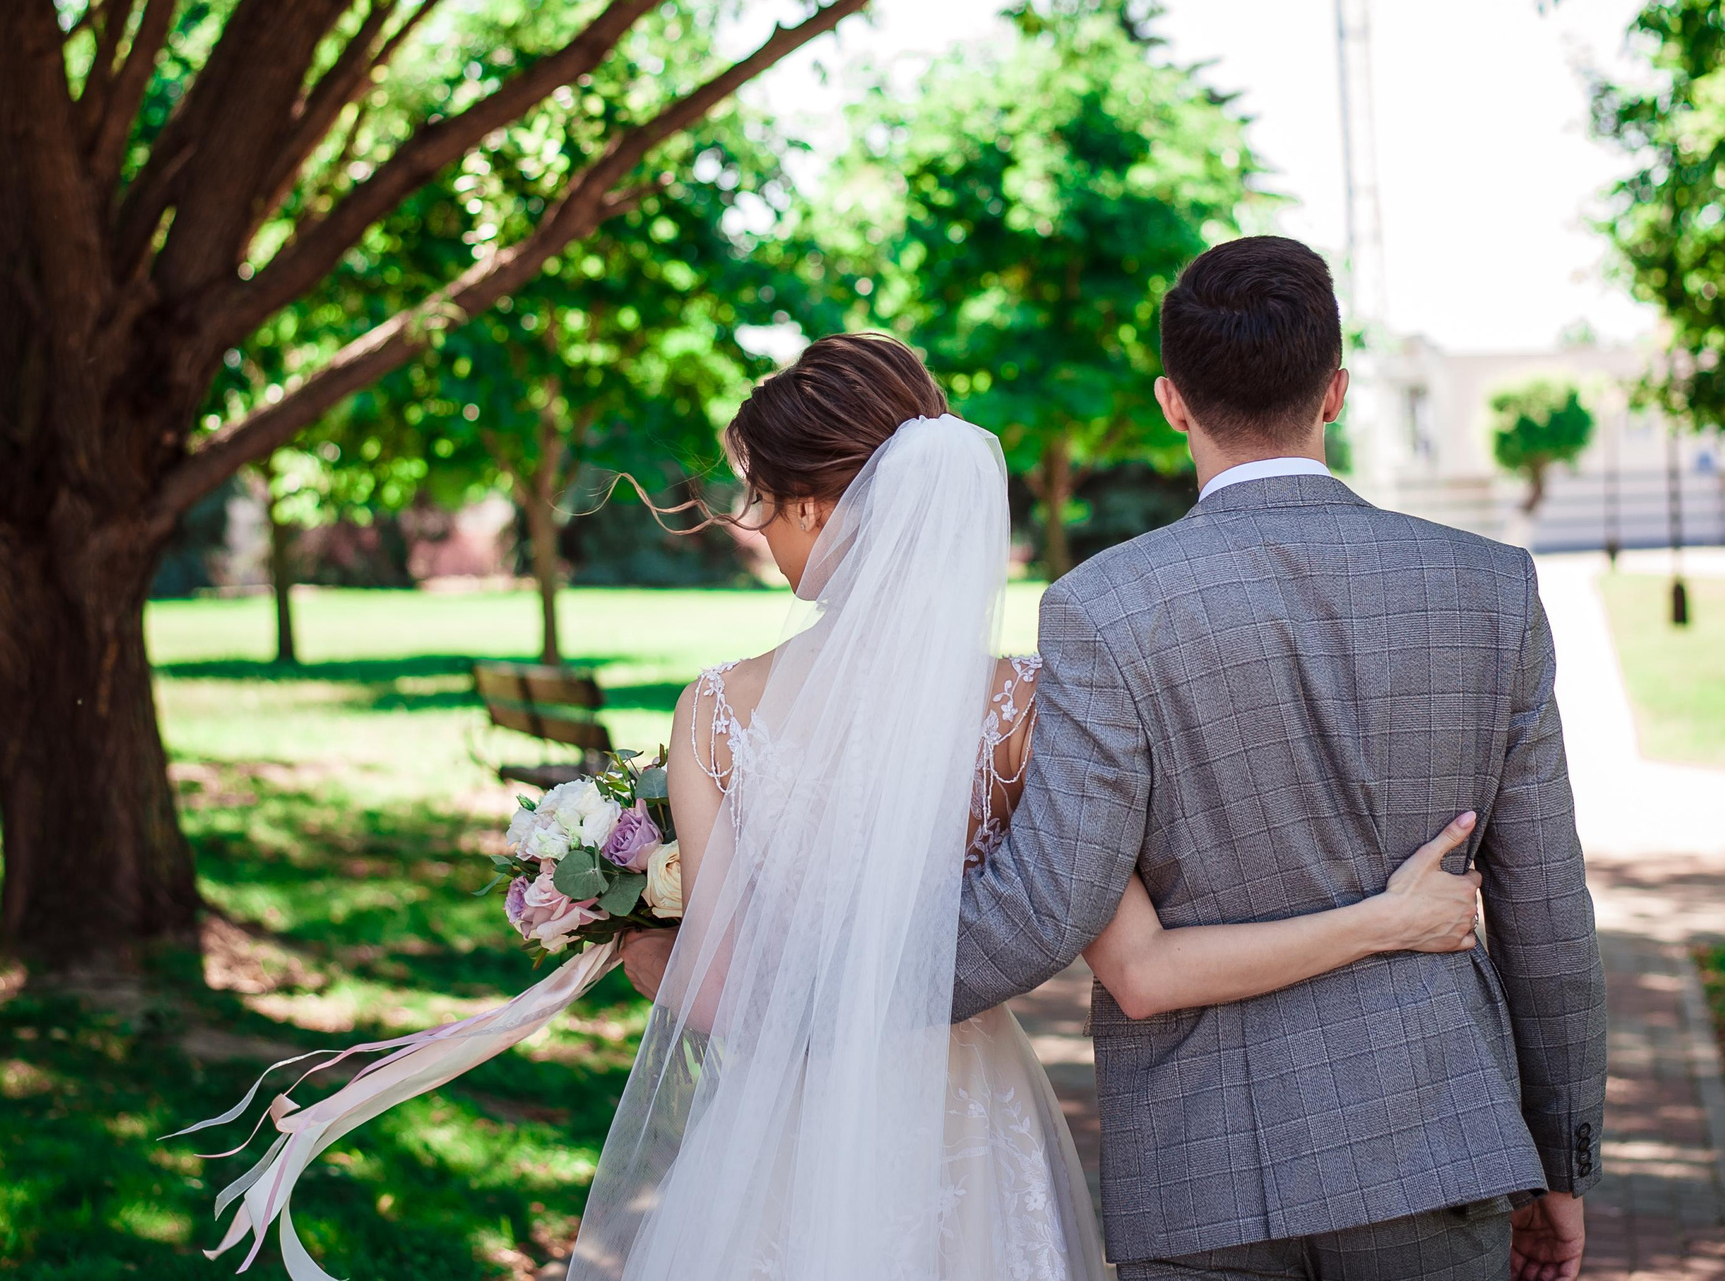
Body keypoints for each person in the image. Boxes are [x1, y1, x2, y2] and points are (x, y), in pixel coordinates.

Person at [590, 331, 1493, 1281]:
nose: (761, 533)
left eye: (762, 505)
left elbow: (723, 995)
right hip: (967, 1133)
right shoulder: (1023, 709)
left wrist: (647, 954)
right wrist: (1386, 919)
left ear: (815, 510)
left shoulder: (715, 712)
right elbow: (1142, 968)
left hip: (775, 1145)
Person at [953, 236, 1607, 1281]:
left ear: (1172, 402)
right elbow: (1546, 908)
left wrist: (820, 992)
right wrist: (1560, 1159)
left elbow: (1046, 902)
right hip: (1436, 1143)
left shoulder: (1102, 609)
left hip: (1201, 1170)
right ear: (1335, 392)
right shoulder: (1487, 589)